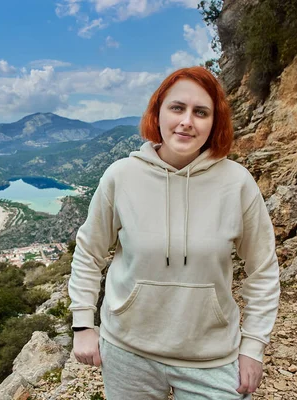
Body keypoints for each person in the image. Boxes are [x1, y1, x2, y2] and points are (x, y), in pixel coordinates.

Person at [68, 66, 280, 399]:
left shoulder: (237, 183)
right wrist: (83, 324)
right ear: (158, 112)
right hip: (128, 351)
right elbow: (89, 251)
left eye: (201, 112)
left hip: (211, 357)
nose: (187, 121)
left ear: (214, 123)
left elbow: (263, 269)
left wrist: (253, 346)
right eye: (177, 108)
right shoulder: (121, 176)